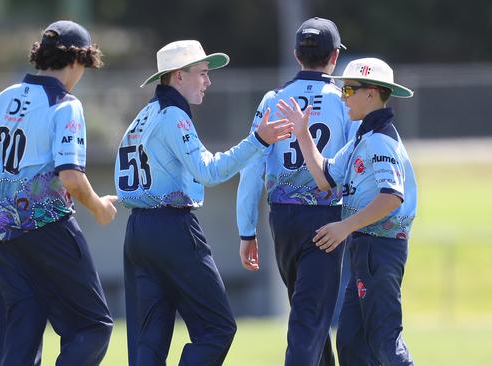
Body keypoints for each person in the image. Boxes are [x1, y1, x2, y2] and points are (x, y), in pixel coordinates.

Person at [114, 40, 293, 366]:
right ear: (178, 76)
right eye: (202, 73)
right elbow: (209, 171)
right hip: (172, 229)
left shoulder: (144, 115)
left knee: (148, 343)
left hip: (137, 232)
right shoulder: (174, 117)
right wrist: (258, 140)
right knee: (217, 327)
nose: (208, 82)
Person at [0, 20, 117, 366]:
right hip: (51, 230)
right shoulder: (65, 104)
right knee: (92, 327)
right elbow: (71, 179)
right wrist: (99, 208)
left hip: (5, 234)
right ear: (78, 60)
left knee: (19, 342)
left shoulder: (2, 99)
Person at [278, 57, 416, 365]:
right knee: (351, 342)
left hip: (380, 248)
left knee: (384, 341)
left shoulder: (381, 141)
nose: (343, 96)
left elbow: (392, 196)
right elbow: (325, 177)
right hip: (363, 248)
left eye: (350, 89)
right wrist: (302, 134)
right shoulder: (362, 137)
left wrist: (345, 227)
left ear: (372, 94)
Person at [235, 17, 355, 366]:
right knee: (308, 319)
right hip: (326, 219)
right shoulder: (343, 101)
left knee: (310, 315)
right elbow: (353, 163)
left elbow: (251, 168)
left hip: (282, 220)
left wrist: (247, 230)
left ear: (295, 55)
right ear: (334, 57)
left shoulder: (273, 99)